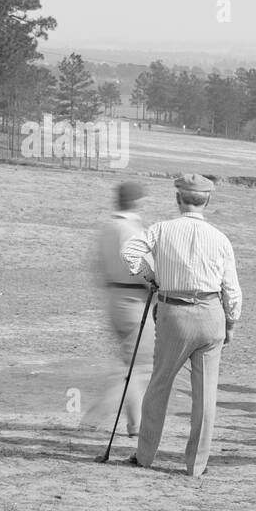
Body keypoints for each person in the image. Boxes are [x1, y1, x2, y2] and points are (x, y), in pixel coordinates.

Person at [121, 174, 241, 477]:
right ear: (208, 200)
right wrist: (231, 323)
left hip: (174, 312)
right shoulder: (221, 238)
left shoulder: (161, 229)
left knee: (160, 384)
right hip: (212, 313)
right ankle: (196, 466)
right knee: (205, 395)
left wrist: (150, 276)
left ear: (178, 199)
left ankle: (145, 456)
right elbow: (232, 289)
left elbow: (129, 251)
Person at [86, 181, 155, 436]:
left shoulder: (108, 228)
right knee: (136, 366)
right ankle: (96, 415)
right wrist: (156, 289)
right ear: (137, 202)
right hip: (134, 301)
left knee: (133, 364)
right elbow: (141, 268)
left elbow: (98, 267)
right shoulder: (132, 229)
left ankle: (135, 424)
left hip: (114, 298)